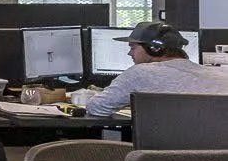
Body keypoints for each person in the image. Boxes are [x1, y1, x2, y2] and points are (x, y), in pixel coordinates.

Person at [85, 21, 228, 117]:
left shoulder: (140, 73)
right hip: (219, 157)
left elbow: (97, 108)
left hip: (164, 158)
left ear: (154, 49)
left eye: (133, 47)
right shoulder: (223, 74)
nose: (130, 53)